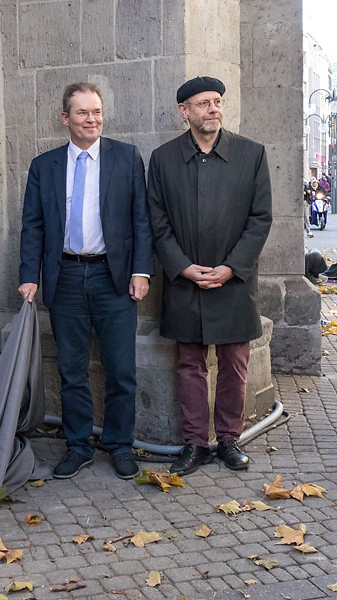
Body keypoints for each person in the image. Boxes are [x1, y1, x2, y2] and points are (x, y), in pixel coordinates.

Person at [19, 82, 153, 480]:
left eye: (96, 112)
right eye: (82, 113)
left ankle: (119, 444)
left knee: (121, 369)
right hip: (66, 276)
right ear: (66, 118)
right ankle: (78, 445)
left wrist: (140, 271)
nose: (91, 119)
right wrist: (30, 277)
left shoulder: (126, 158)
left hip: (114, 278)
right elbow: (33, 226)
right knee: (72, 369)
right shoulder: (45, 166)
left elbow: (141, 221)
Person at [147, 76, 272, 476]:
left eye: (217, 102)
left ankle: (229, 440)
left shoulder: (251, 154)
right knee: (189, 363)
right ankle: (195, 443)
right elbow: (157, 220)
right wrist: (181, 266)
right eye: (203, 103)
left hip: (234, 281)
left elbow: (260, 218)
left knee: (235, 363)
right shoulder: (163, 159)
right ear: (185, 111)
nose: (213, 108)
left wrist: (232, 267)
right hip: (185, 281)